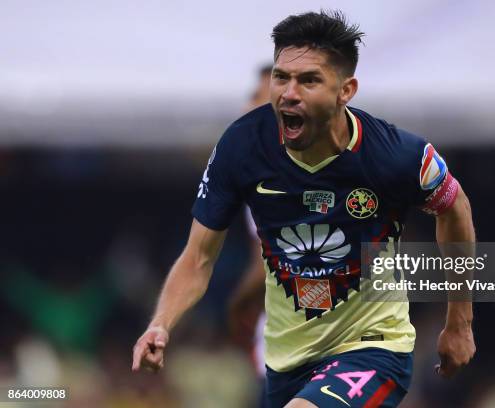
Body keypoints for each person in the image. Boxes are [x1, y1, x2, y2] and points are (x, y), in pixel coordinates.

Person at [133, 10, 476, 407]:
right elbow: (198, 258)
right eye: (281, 77)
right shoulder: (242, 147)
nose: (288, 93)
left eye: (308, 80)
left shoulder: (397, 156)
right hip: (285, 362)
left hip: (371, 348)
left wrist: (459, 322)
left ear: (346, 90)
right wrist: (160, 324)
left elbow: (456, 209)